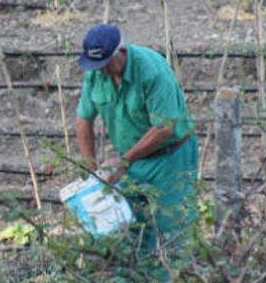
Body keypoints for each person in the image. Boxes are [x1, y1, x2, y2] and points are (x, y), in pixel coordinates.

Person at [74, 24, 199, 252]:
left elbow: (164, 128)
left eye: (105, 64)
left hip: (170, 157)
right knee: (132, 228)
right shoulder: (95, 74)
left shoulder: (152, 71)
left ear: (121, 52)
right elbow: (83, 119)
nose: (100, 70)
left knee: (172, 228)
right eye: (96, 65)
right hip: (132, 159)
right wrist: (91, 169)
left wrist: (124, 162)